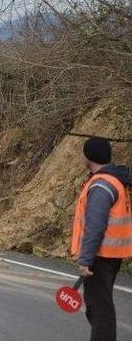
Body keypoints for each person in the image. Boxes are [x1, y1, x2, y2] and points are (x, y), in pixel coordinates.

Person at [70, 137, 132, 341]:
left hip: (101, 255)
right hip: (110, 255)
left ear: (88, 157)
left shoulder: (101, 185)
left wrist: (86, 259)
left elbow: (95, 225)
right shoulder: (115, 180)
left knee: (99, 309)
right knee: (98, 307)